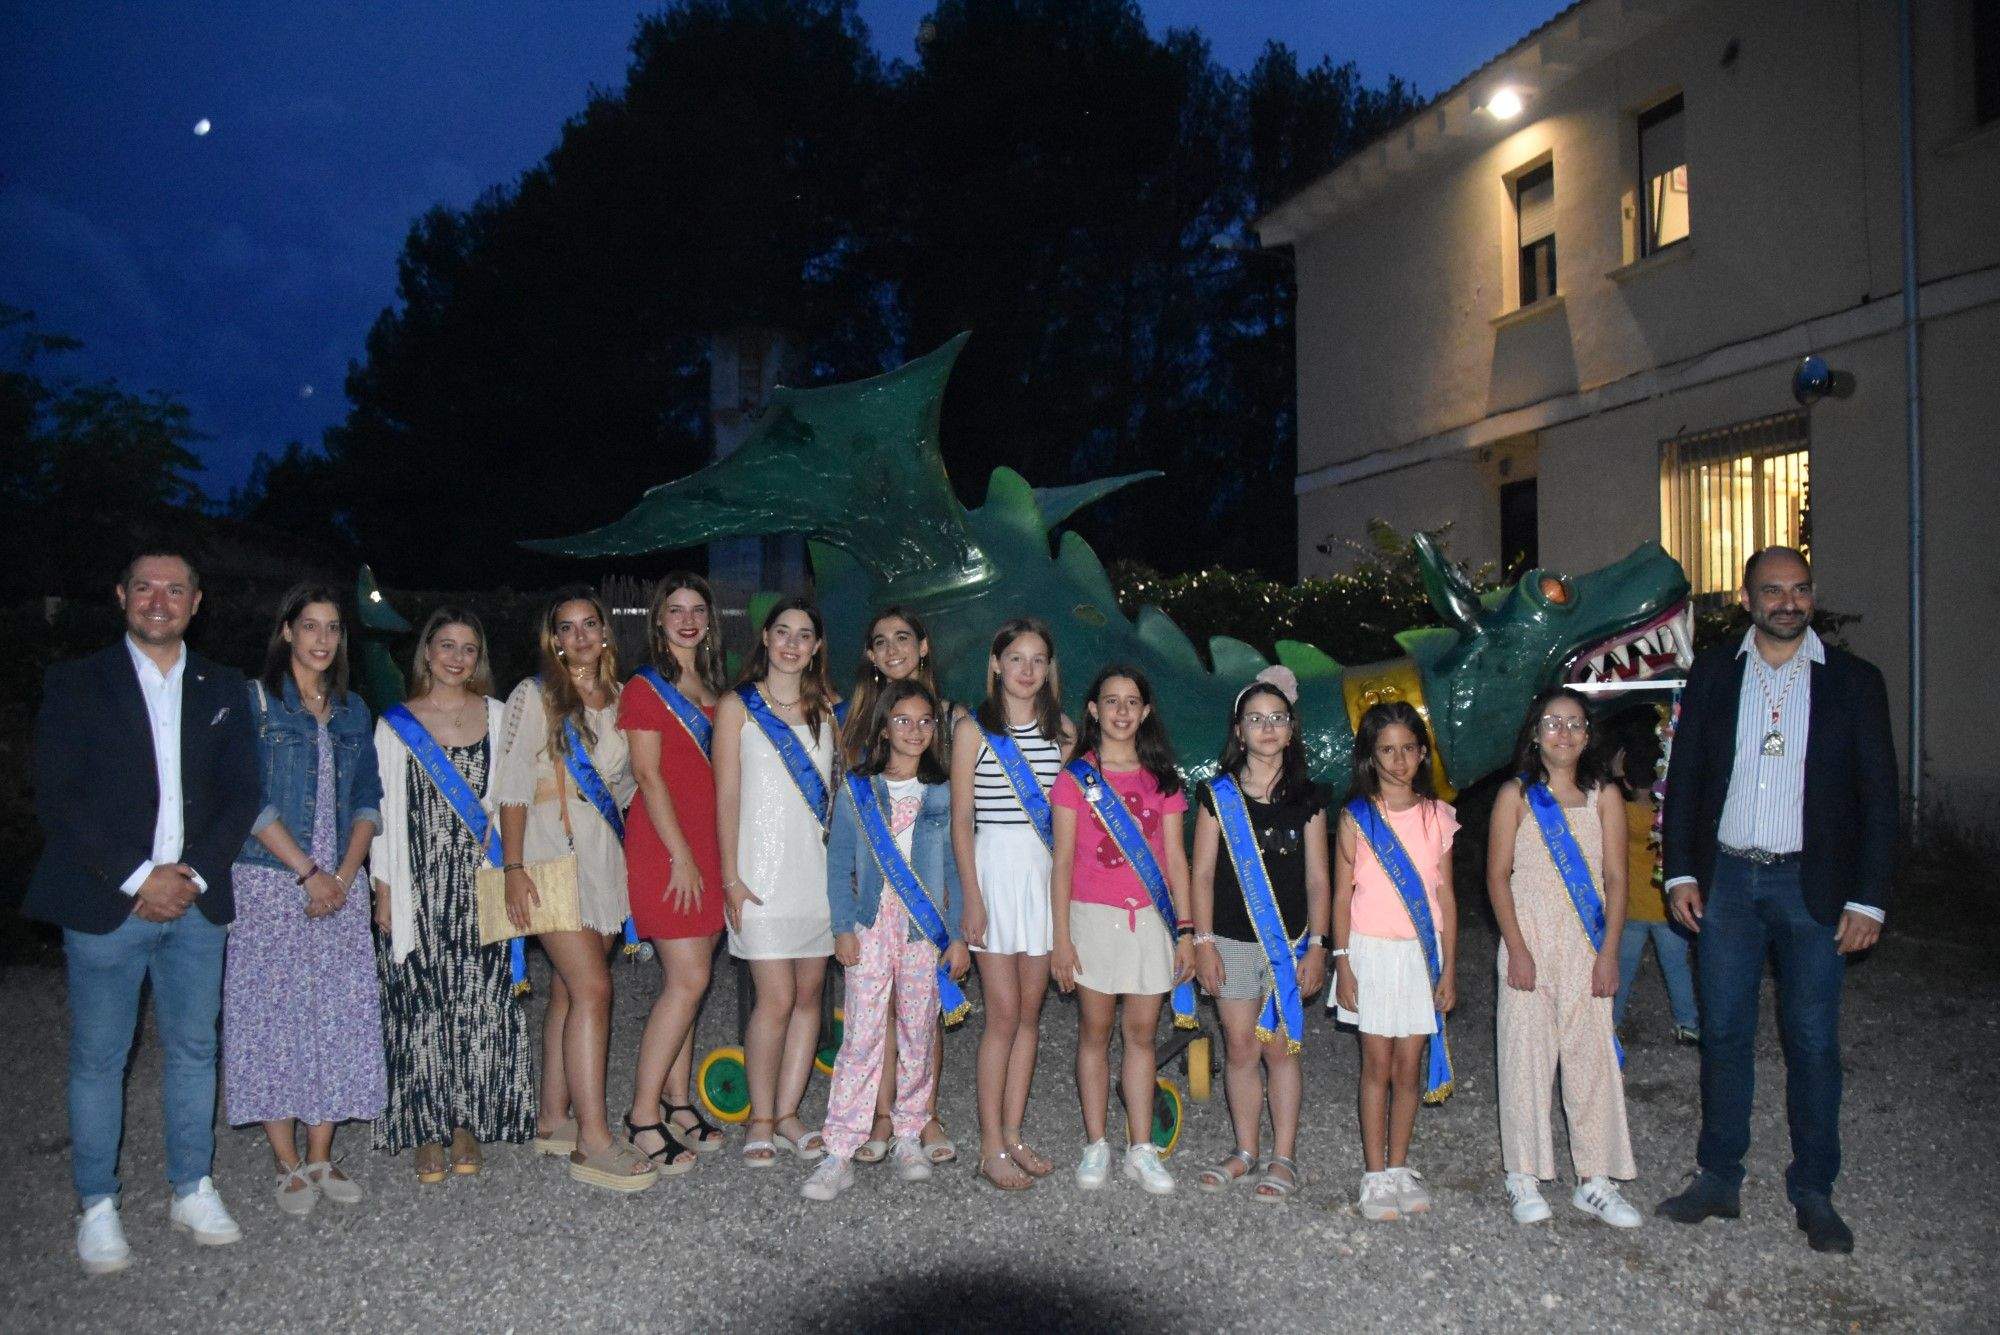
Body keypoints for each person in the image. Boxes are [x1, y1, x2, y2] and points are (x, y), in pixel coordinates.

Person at [1656, 547, 1897, 1254]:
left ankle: (1814, 1188)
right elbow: (1688, 777)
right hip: (1729, 880)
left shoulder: (1855, 682)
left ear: (1811, 595)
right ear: (1747, 596)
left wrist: (1870, 899)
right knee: (1724, 1033)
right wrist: (1679, 873)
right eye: (1773, 589)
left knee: (1814, 1041)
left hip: (1813, 886)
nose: (1787, 601)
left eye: (1798, 589)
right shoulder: (1712, 674)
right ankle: (1719, 1177)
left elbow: (1879, 800)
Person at [28, 550, 261, 1273]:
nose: (159, 600)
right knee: (100, 1058)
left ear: (197, 602)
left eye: (176, 589)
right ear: (121, 594)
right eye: (146, 587)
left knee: (195, 1049)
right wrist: (138, 877)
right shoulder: (76, 683)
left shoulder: (222, 686)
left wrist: (188, 873)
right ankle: (97, 1205)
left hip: (195, 899)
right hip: (106, 900)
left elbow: (242, 790)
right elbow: (58, 795)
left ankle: (191, 1185)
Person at [224, 584, 387, 1216]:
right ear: (287, 630)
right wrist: (307, 871)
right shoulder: (258, 702)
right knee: (273, 1012)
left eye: (333, 628)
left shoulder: (352, 710)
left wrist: (344, 875)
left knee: (335, 1011)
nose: (322, 640)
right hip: (273, 878)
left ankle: (322, 1153)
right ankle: (286, 1162)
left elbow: (367, 798)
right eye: (310, 626)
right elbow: (246, 795)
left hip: (339, 880)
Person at [495, 589, 654, 1192]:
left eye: (591, 624)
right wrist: (513, 869)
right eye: (569, 627)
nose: (582, 636)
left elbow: (633, 787)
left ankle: (552, 1118)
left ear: (606, 633)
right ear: (553, 639)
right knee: (594, 988)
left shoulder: (620, 701)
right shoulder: (534, 696)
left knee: (567, 989)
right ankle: (593, 1141)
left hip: (603, 857)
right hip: (546, 853)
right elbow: (509, 787)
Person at [371, 608, 535, 1182]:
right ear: (426, 652)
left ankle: (468, 1121)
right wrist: (385, 889)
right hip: (418, 885)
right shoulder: (395, 725)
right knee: (419, 1005)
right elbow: (385, 814)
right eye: (446, 645)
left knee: (480, 1002)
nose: (457, 657)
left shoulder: (499, 716)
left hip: (479, 882)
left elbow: (515, 796)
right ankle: (425, 1128)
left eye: (468, 647)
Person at [804, 682, 972, 1200]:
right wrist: (841, 927)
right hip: (870, 925)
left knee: (919, 1032)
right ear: (882, 726)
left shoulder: (942, 792)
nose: (915, 730)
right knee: (861, 1035)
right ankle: (840, 1148)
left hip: (925, 931)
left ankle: (908, 1134)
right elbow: (838, 862)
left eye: (925, 721)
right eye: (903, 720)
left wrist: (960, 933)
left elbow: (955, 869)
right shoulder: (858, 789)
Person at [1485, 688, 1641, 1229]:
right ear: (1534, 732)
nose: (1565, 733)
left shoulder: (1606, 798)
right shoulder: (1517, 796)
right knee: (1524, 1058)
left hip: (1585, 945)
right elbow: (1496, 877)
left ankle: (1594, 1178)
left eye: (1576, 723)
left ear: (1589, 734)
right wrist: (1517, 948)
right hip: (1529, 942)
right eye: (1554, 723)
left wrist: (1610, 952)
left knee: (1591, 1058)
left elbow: (1618, 880)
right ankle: (1523, 1174)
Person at [1050, 665, 1195, 1196]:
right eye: (1110, 701)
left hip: (1151, 923)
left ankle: (1140, 1147)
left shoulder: (1163, 779)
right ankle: (1096, 1143)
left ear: (1146, 711)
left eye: (1132, 701)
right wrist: (1060, 938)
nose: (1121, 711)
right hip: (1091, 918)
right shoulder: (1075, 778)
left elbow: (1176, 860)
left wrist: (1187, 931)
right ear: (1093, 710)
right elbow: (1062, 861)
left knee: (1141, 1037)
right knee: (1094, 1033)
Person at [1190, 668, 1330, 1203]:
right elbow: (1201, 872)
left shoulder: (1310, 797)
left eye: (1277, 718)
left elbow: (1319, 878)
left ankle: (1284, 1156)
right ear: (1239, 730)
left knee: (1281, 1050)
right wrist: (1201, 941)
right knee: (1242, 1045)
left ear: (1291, 729)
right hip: (1228, 939)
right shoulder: (1216, 795)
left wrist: (1319, 944)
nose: (1268, 728)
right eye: (1256, 719)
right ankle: (1245, 1149)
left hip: (1291, 943)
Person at [714, 598, 839, 1167]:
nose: (792, 643)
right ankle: (760, 1118)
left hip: (816, 876)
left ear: (816, 647)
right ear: (765, 638)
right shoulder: (736, 708)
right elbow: (727, 798)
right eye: (782, 632)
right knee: (776, 998)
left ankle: (789, 1113)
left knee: (811, 996)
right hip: (758, 876)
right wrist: (729, 878)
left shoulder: (830, 710)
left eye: (804, 634)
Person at [952, 617, 1073, 1190]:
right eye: (1017, 658)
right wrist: (970, 900)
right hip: (994, 878)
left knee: (1030, 1016)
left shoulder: (1064, 733)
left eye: (1039, 660)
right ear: (997, 664)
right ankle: (989, 1145)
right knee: (1001, 1016)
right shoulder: (972, 730)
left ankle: (1015, 1134)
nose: (1028, 670)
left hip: (1043, 880)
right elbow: (959, 823)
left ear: (1049, 669)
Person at [839, 608, 962, 1168]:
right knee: (868, 1018)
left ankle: (919, 1116)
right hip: (871, 899)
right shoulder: (853, 716)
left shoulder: (952, 719)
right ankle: (873, 1118)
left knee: (919, 1014)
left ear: (924, 646)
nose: (892, 649)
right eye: (880, 641)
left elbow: (957, 835)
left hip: (924, 904)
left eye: (903, 639)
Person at [1331, 700, 1458, 1222]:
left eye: (1408, 749)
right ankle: (1374, 1172)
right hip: (1370, 952)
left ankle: (1401, 1165)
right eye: (1387, 750)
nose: (1399, 760)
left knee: (1410, 1067)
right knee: (1376, 1066)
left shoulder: (1437, 816)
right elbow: (1342, 895)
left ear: (1422, 753)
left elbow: (1446, 896)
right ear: (1370, 756)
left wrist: (1450, 967)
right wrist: (1342, 961)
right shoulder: (1356, 817)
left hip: (1418, 955)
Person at [621, 574, 729, 1173]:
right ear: (658, 620)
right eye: (675, 609)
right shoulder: (644, 688)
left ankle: (679, 1101)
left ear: (709, 620)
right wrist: (682, 854)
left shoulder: (712, 684)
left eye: (697, 610)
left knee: (693, 979)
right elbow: (648, 775)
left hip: (708, 844)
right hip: (668, 847)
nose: (687, 619)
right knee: (685, 981)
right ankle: (641, 1115)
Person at [1606, 708, 1698, 1043]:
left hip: (1630, 910)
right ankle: (1688, 1023)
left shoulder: (1624, 813)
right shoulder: (1669, 816)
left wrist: (1615, 776)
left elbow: (1606, 800)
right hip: (1667, 908)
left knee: (1623, 969)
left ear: (1628, 778)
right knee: (1677, 969)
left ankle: (1611, 1023)